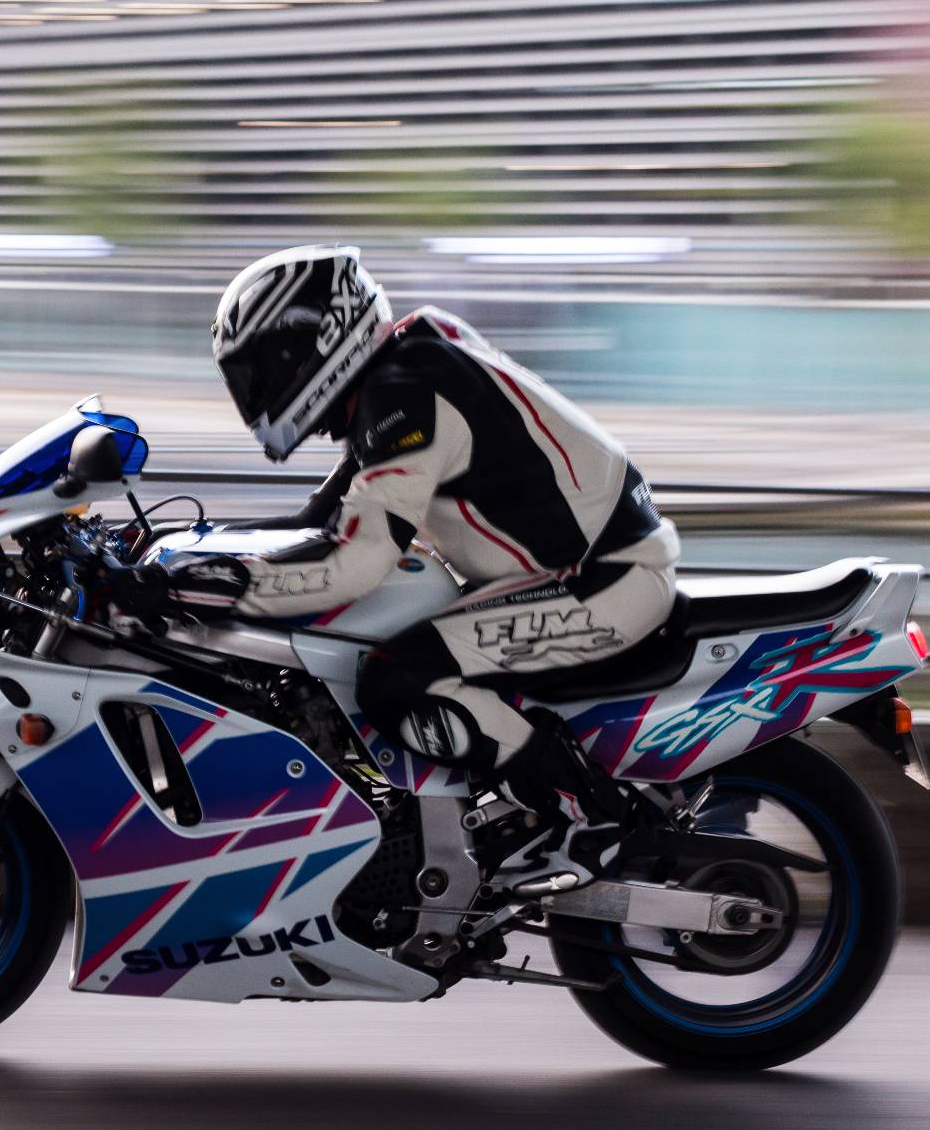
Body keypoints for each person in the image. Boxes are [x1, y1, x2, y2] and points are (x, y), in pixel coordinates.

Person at [116, 244, 679, 855]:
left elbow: (351, 564)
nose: (260, 391)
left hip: (601, 581)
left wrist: (188, 587)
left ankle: (597, 820)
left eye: (268, 368)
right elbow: (315, 523)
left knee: (398, 678)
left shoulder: (405, 392)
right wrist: (177, 548)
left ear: (324, 339)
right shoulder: (403, 369)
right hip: (580, 570)